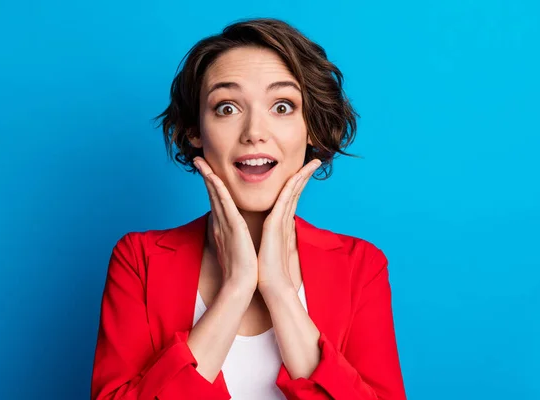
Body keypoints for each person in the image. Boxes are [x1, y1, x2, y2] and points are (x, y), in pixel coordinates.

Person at [90, 18, 407, 400]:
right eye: (227, 107)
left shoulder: (360, 266)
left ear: (310, 128)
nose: (255, 131)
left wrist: (278, 290)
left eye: (282, 106)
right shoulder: (139, 260)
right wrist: (237, 288)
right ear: (195, 130)